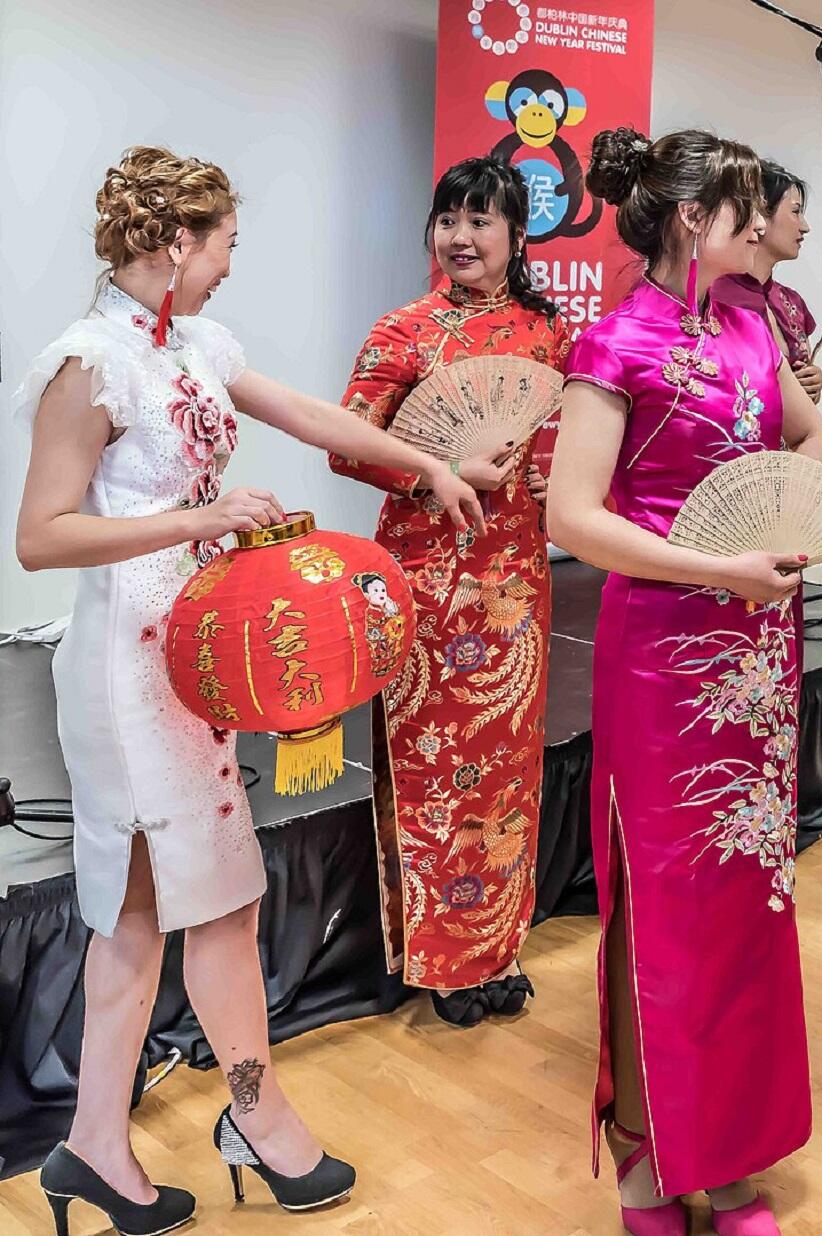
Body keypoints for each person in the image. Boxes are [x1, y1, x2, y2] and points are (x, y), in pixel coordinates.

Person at [15, 146, 481, 1233]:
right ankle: (249, 1123)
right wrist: (199, 521)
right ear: (178, 242)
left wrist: (430, 467)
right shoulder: (89, 363)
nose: (230, 265)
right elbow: (41, 537)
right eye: (225, 243)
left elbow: (315, 416)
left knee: (175, 907)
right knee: (189, 907)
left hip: (193, 655)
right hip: (127, 663)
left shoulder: (196, 346)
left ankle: (101, 1143)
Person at [546, 126, 822, 1236]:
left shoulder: (755, 322)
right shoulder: (612, 343)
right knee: (659, 900)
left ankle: (731, 1150)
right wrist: (718, 564)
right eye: (743, 211)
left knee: (749, 902)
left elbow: (810, 437)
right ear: (686, 220)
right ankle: (646, 1154)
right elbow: (572, 516)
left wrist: (789, 514)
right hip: (664, 648)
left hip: (760, 642)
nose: (761, 229)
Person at [328, 156, 571, 1026]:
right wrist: (436, 468)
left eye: (480, 221)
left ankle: (499, 947)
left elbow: (577, 431)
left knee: (506, 776)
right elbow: (346, 444)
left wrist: (556, 481)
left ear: (516, 236)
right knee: (434, 772)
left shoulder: (551, 333)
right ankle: (439, 961)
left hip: (516, 580)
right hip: (432, 582)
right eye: (447, 220)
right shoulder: (404, 331)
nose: (460, 238)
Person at [712, 160, 822, 402]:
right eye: (796, 212)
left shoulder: (791, 301)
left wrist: (812, 381)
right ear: (760, 213)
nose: (805, 227)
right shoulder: (713, 297)